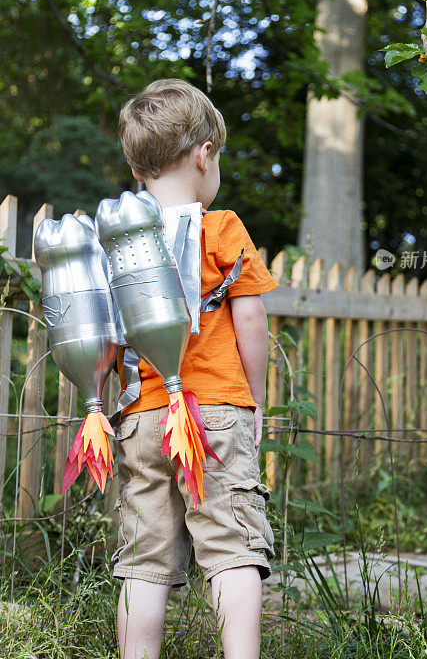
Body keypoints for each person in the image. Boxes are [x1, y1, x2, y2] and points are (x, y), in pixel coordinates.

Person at [112, 78, 278, 659]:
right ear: (204, 155)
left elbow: (108, 335)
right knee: (231, 544)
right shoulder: (223, 229)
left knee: (144, 559)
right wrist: (254, 401)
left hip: (143, 418)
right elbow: (251, 321)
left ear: (140, 171)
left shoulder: (121, 243)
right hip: (215, 414)